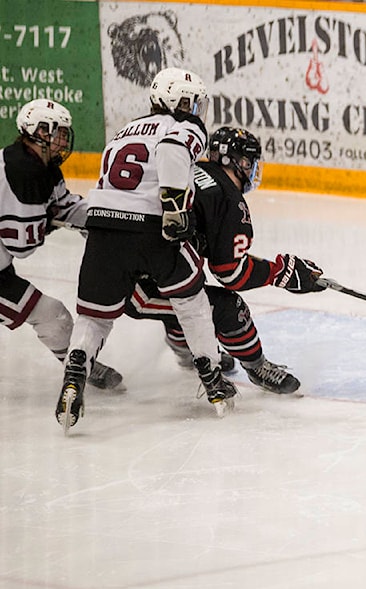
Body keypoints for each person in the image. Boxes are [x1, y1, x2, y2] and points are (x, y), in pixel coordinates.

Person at [55, 67, 238, 432]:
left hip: (103, 225)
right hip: (151, 227)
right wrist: (172, 203)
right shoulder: (184, 127)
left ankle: (76, 369)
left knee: (95, 317)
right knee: (191, 300)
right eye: (189, 101)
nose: (194, 109)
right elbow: (172, 150)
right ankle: (212, 378)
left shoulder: (123, 132)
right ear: (172, 100)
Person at [124, 126, 326, 394]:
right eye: (250, 162)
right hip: (138, 290)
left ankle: (182, 343)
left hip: (115, 267)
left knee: (188, 276)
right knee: (228, 307)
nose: (253, 169)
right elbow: (231, 274)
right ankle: (257, 366)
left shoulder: (189, 170)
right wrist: (279, 273)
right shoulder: (228, 198)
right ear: (238, 162)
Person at [1, 99, 123, 390]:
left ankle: (78, 364)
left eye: (64, 134)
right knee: (51, 315)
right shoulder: (22, 171)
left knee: (51, 314)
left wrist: (107, 216)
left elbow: (65, 207)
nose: (62, 141)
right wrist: (47, 222)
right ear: (37, 131)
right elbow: (21, 246)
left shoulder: (42, 169)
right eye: (56, 133)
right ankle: (80, 367)